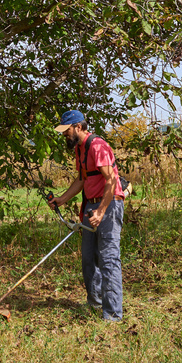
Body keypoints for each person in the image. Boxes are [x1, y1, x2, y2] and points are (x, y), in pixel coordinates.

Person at [48, 109, 124, 321]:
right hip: (91, 205)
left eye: (67, 130)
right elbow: (82, 179)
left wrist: (101, 211)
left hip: (109, 204)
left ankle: (113, 314)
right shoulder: (79, 149)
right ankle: (95, 303)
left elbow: (111, 180)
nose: (65, 134)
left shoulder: (97, 146)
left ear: (78, 127)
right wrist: (62, 199)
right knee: (89, 258)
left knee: (108, 259)